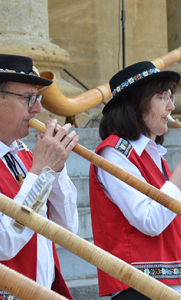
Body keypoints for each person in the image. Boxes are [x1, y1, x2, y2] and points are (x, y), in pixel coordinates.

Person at [89, 61, 181, 299]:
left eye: (172, 96)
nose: (172, 106)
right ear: (136, 103)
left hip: (173, 283)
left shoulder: (152, 156)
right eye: (163, 97)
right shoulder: (113, 153)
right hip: (141, 287)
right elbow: (151, 222)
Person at [0, 54, 79, 300]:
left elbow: (66, 230)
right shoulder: (33, 163)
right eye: (28, 98)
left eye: (38, 98)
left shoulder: (24, 154)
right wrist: (41, 171)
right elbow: (4, 244)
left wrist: (56, 166)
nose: (38, 109)